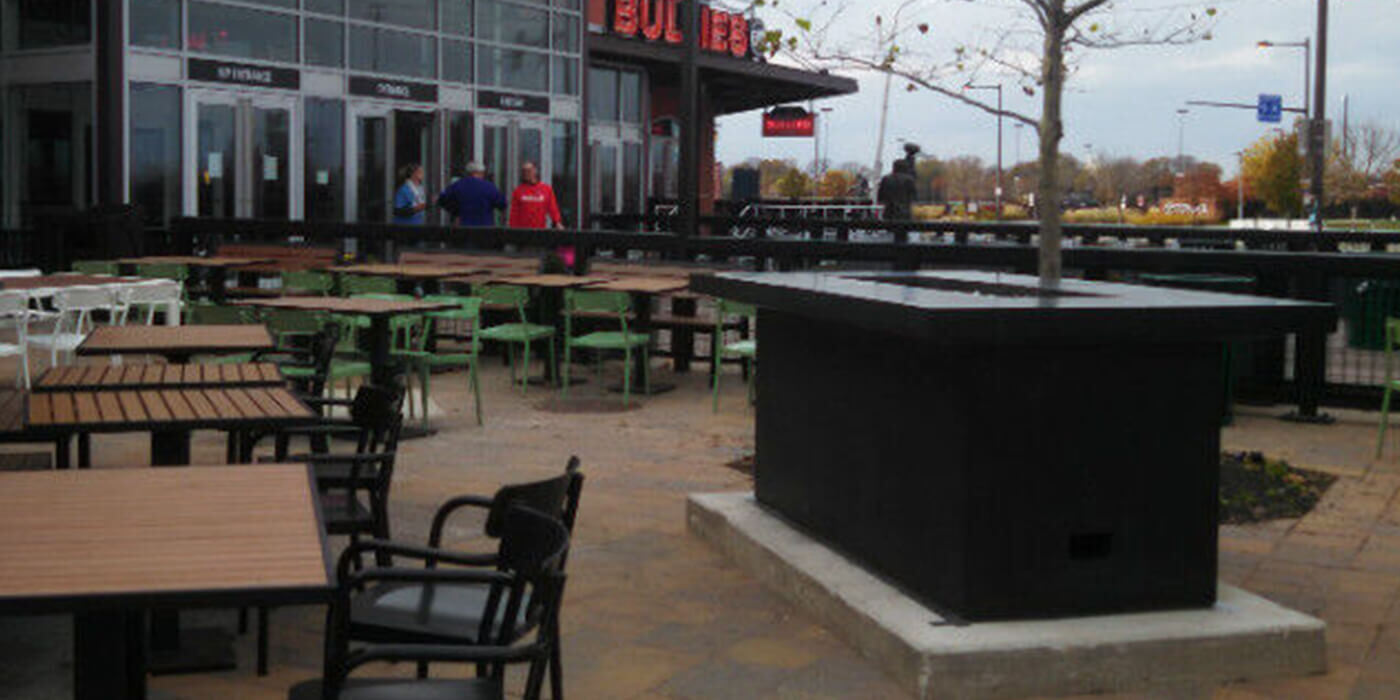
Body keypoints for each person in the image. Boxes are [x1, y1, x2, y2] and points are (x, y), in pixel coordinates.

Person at [437, 161, 507, 227]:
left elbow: (442, 200)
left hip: (463, 226)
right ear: (480, 173)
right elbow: (502, 203)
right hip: (484, 226)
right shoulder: (488, 187)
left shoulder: (458, 185)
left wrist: (455, 212)